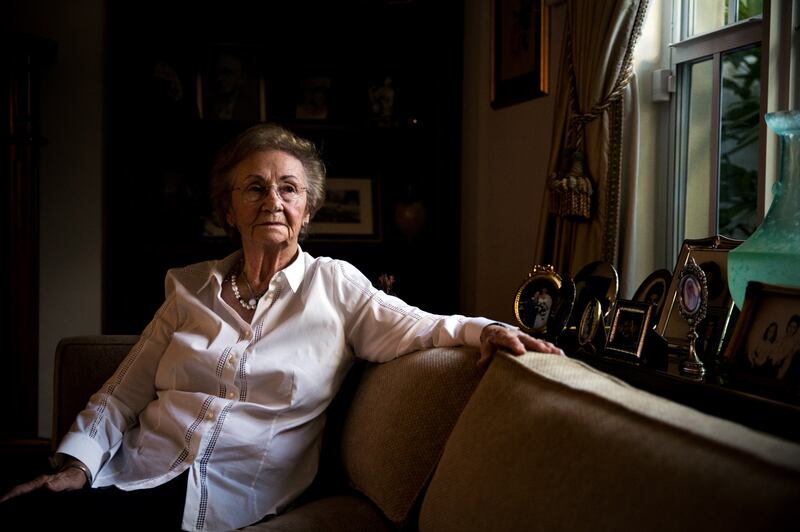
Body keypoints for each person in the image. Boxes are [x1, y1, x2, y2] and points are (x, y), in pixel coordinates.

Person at [0, 123, 563, 531]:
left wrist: (485, 330)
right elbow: (124, 392)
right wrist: (75, 464)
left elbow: (419, 326)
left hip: (223, 500)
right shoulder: (188, 287)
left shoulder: (337, 287)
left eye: (289, 189)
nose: (274, 201)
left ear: (308, 209)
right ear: (228, 209)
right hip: (136, 471)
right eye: (255, 188)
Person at [775, 314, 800, 380]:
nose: (791, 329)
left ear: (796, 329)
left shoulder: (792, 342)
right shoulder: (782, 337)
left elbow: (782, 359)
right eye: (790, 326)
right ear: (788, 325)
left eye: (794, 327)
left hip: (781, 368)